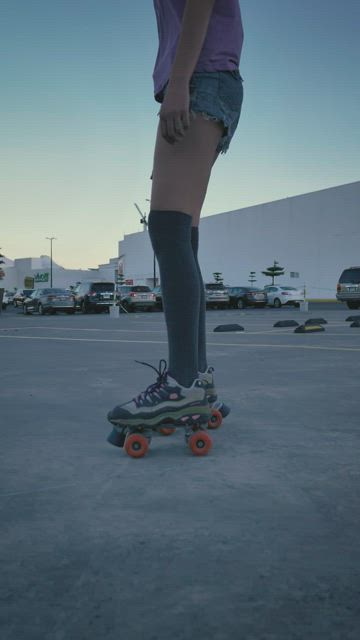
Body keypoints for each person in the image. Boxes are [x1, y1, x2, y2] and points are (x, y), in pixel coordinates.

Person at [107, 0, 244, 438]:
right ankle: (197, 378)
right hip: (206, 81)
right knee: (182, 231)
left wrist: (181, 83)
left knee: (167, 227)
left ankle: (184, 383)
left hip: (199, 80)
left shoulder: (194, 79)